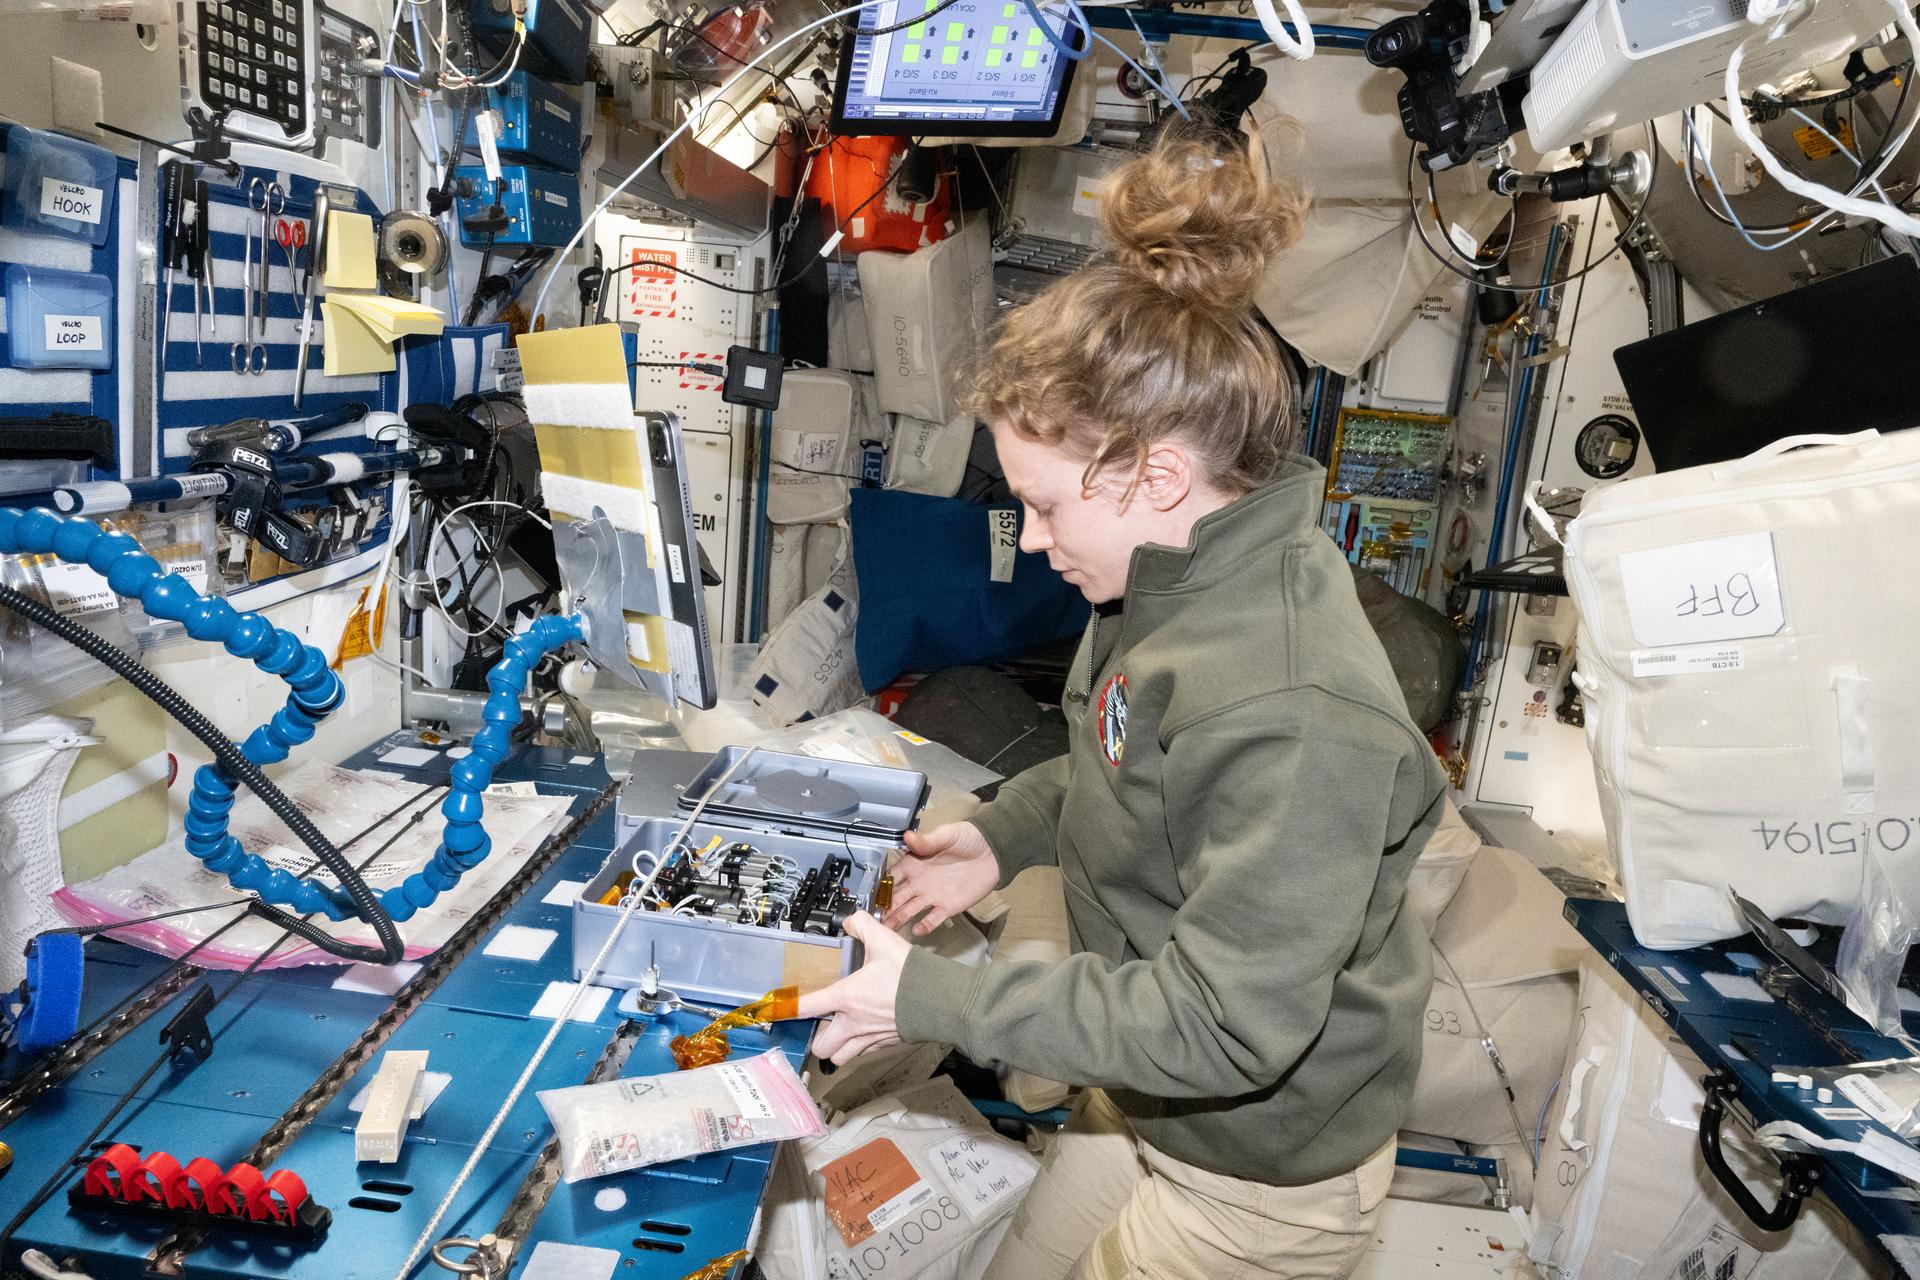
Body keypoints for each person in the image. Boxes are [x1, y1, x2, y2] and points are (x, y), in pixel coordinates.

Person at [797, 135, 1448, 1280]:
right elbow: (1119, 762)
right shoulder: (1174, 576)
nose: (1035, 543)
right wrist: (996, 842)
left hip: (1255, 1171)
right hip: (1147, 1095)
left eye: (1046, 506)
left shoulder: (1292, 705)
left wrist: (940, 996)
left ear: (1153, 477)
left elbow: (1228, 1024)